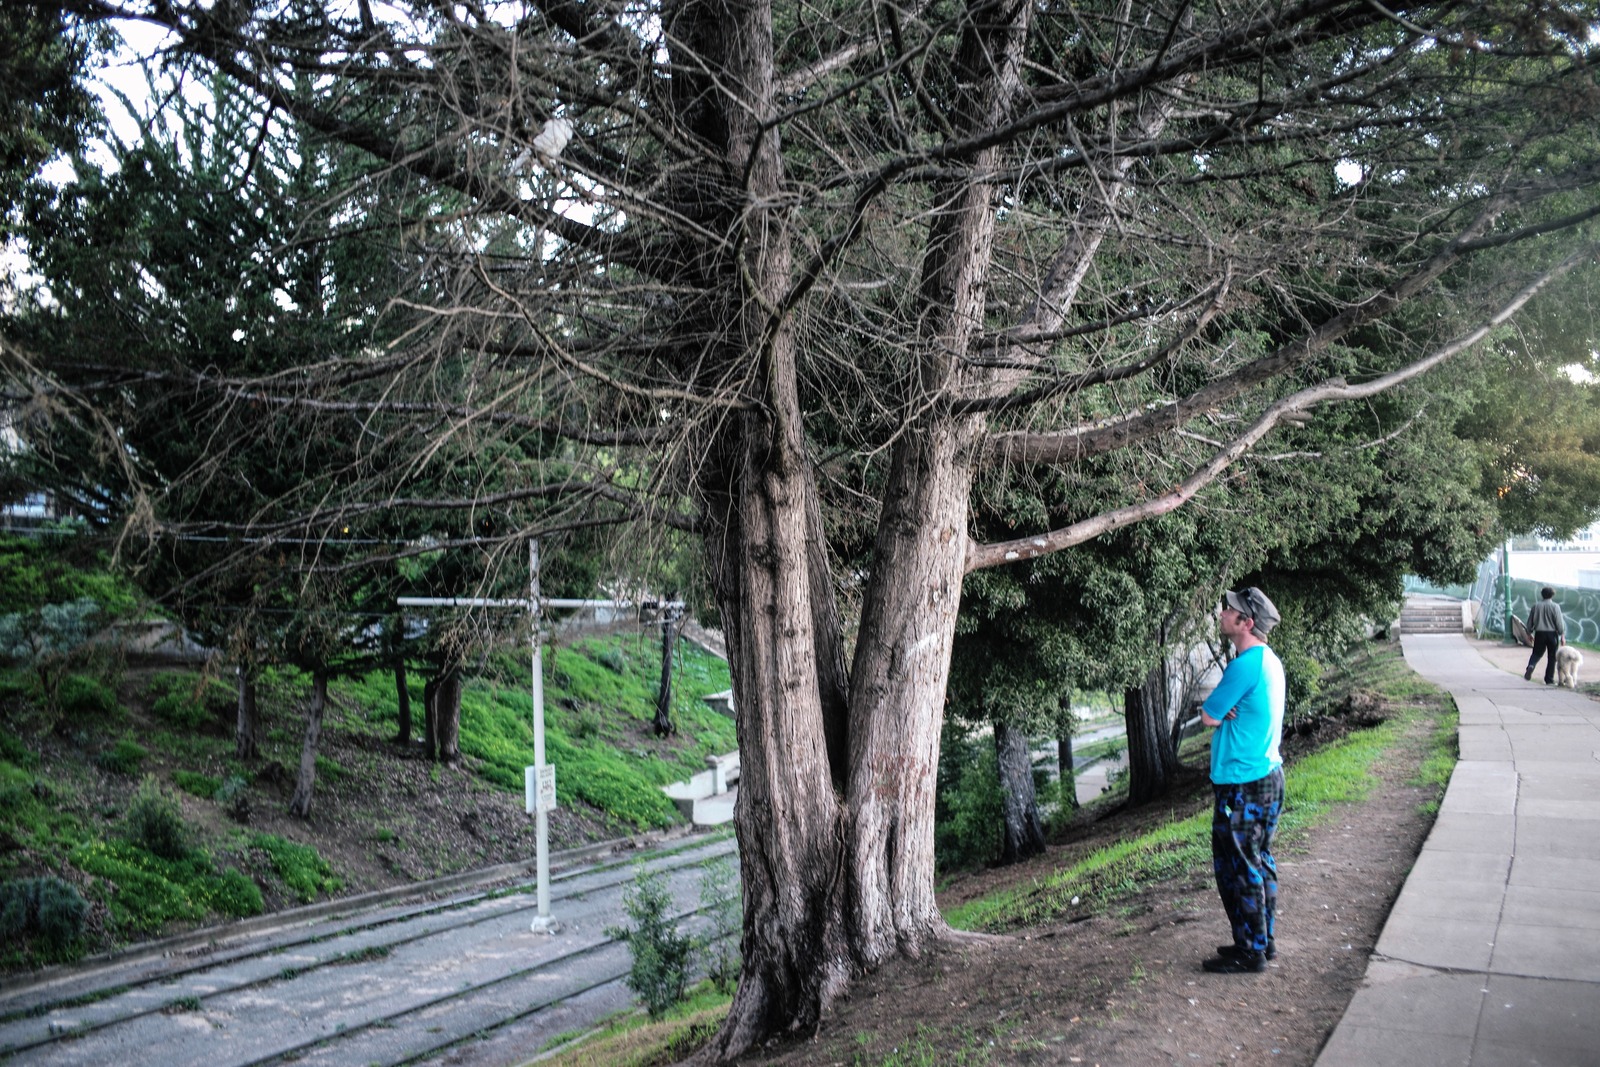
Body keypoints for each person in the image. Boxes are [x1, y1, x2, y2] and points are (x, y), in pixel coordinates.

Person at [1199, 586, 1285, 975]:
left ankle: (1250, 952)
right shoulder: (1269, 661)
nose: (1222, 613)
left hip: (1242, 783)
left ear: (1246, 623)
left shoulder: (1246, 663)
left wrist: (1220, 710)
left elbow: (1209, 716)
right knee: (1259, 861)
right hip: (1266, 776)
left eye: (1229, 610)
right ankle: (1261, 941)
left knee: (1239, 867)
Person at [1524, 587, 1566, 685]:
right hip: (1552, 634)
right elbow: (1559, 622)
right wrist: (1562, 635)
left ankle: (1531, 665)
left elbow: (1530, 622)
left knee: (1536, 653)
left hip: (1539, 633)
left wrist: (1529, 633)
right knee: (1552, 657)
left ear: (1542, 594)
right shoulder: (1555, 606)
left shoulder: (1536, 606)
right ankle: (1549, 679)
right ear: (1552, 595)